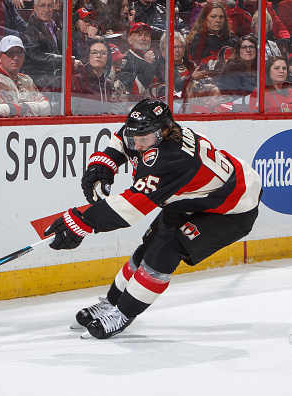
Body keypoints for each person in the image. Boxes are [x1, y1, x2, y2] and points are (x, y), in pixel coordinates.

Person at [43, 98, 261, 339]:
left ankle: (123, 313)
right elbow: (123, 137)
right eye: (134, 137)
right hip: (192, 197)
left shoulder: (174, 159)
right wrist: (104, 163)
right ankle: (111, 303)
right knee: (148, 247)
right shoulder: (152, 133)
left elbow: (131, 206)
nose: (136, 144)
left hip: (232, 209)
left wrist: (82, 221)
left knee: (166, 250)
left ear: (164, 132)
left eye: (143, 140)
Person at [21, 0, 81, 93]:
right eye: (42, 6)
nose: (46, 10)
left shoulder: (58, 26)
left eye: (49, 6)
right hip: (39, 76)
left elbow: (71, 49)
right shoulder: (28, 28)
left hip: (58, 72)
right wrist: (66, 60)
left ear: (54, 7)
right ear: (35, 7)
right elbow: (34, 55)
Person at [0, 35, 51, 117]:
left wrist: (24, 106)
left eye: (20, 53)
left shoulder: (26, 79)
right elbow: (10, 114)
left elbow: (47, 107)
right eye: (10, 53)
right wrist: (33, 106)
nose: (16, 58)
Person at [186, 2, 237, 71]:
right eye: (213, 17)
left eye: (221, 17)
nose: (218, 20)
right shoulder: (198, 40)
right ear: (205, 18)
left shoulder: (231, 37)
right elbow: (204, 64)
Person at [117, 22, 162, 99]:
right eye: (139, 35)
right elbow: (134, 91)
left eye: (146, 35)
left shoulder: (157, 58)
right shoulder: (126, 59)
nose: (143, 38)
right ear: (130, 40)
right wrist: (148, 65)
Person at [71, 37, 115, 115]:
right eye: (94, 52)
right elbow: (72, 111)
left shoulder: (107, 84)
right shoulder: (78, 79)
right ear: (88, 56)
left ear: (108, 58)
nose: (98, 56)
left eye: (103, 53)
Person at [218, 35, 257, 102]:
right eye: (244, 47)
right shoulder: (233, 66)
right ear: (239, 50)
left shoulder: (259, 66)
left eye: (251, 47)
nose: (248, 50)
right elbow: (238, 93)